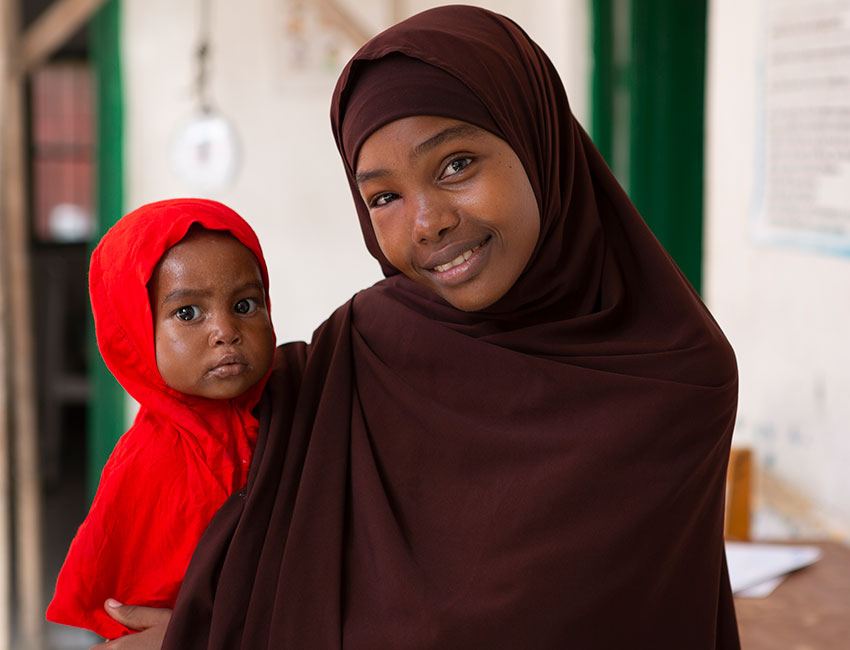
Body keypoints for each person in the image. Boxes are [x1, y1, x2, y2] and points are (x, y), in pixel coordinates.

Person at [99, 5, 740, 649]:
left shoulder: (674, 377)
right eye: (383, 197)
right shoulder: (360, 350)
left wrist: (216, 635)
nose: (427, 223)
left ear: (536, 142)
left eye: (456, 164)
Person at [47, 198, 277, 640]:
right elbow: (131, 619)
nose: (226, 330)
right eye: (188, 313)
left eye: (246, 305)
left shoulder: (291, 414)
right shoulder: (147, 467)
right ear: (133, 330)